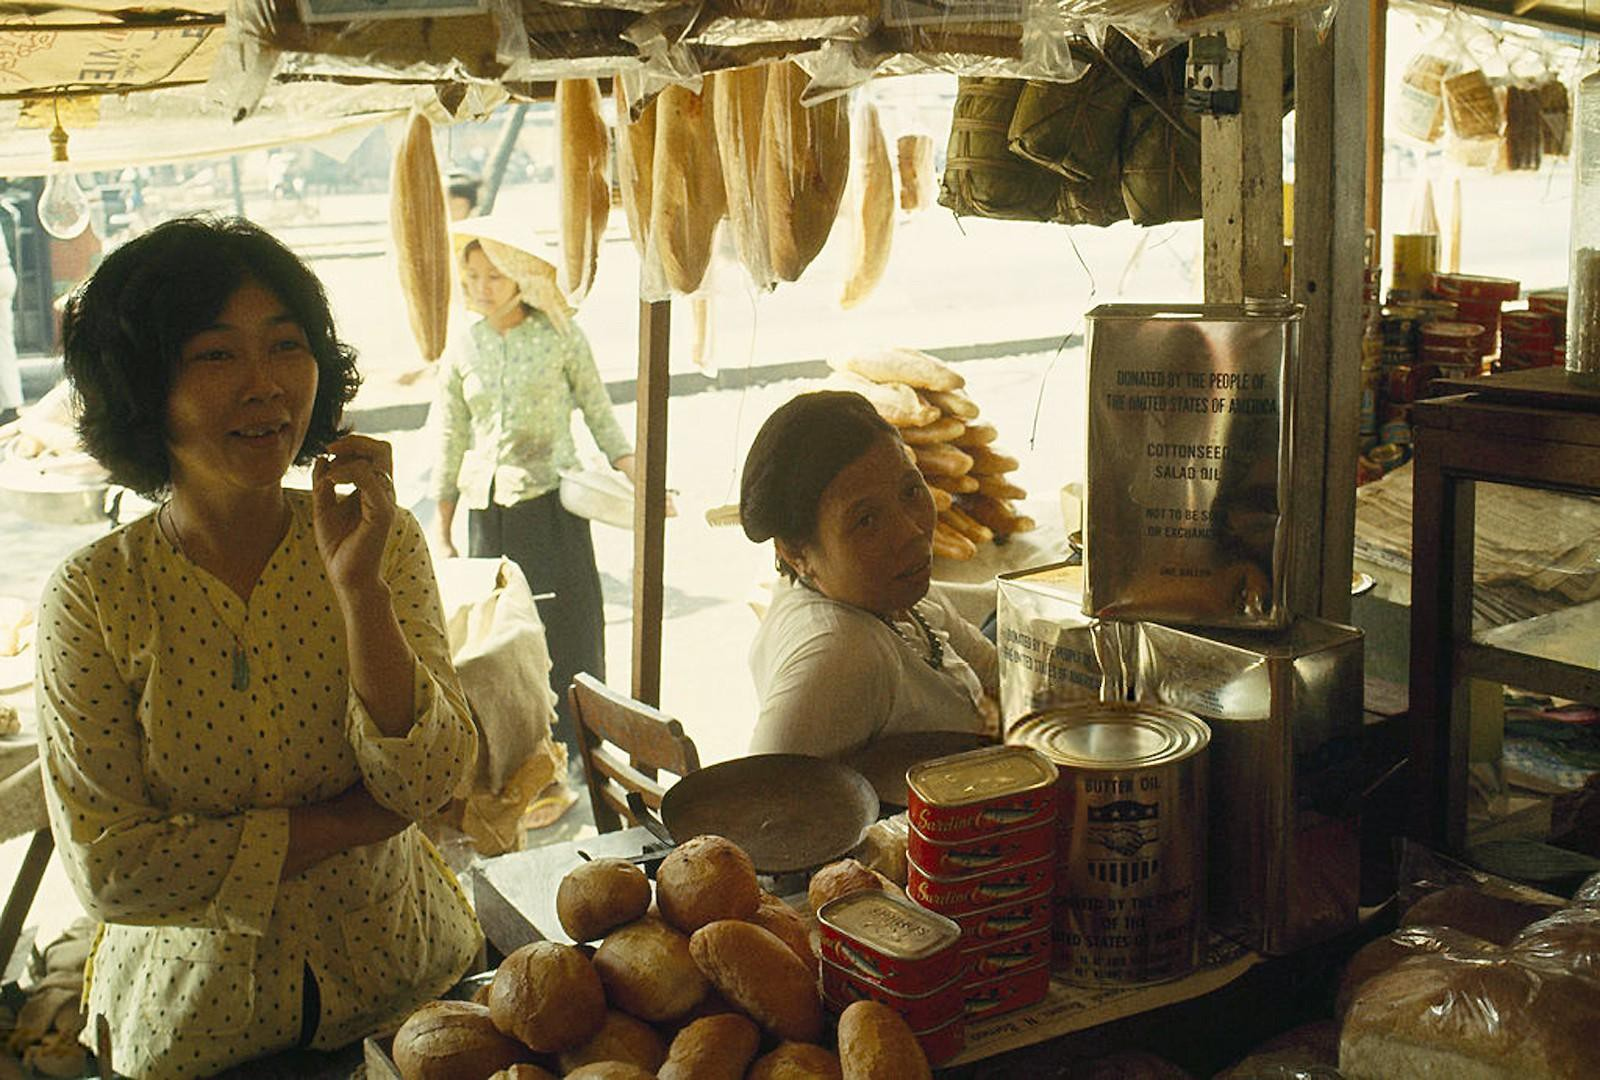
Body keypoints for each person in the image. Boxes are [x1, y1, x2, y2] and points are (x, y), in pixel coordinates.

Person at [37, 217, 481, 1078]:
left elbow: (427, 782)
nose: (266, 387)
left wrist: (359, 593)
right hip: (202, 1031)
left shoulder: (375, 540)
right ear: (141, 385)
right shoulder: (94, 596)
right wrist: (348, 821)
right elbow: (113, 870)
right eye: (215, 356)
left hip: (411, 991)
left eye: (287, 346)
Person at [431, 222, 635, 757]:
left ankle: (578, 746)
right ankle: (516, 750)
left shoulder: (560, 336)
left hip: (551, 508)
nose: (480, 286)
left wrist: (643, 482)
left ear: (520, 278)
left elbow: (600, 415)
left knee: (567, 629)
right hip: (487, 515)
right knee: (497, 641)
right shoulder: (464, 350)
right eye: (471, 276)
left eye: (493, 276)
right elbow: (451, 437)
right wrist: (444, 524)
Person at [740, 390, 999, 758]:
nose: (911, 531)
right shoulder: (839, 651)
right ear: (797, 552)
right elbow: (761, 801)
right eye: (867, 520)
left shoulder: (895, 594)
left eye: (911, 490)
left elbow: (993, 672)